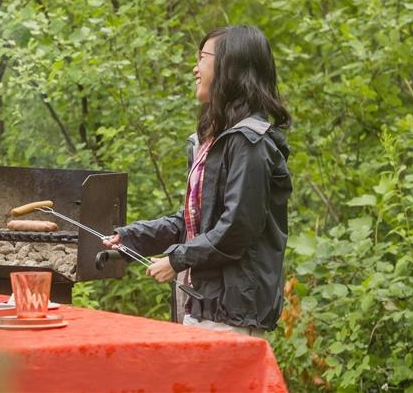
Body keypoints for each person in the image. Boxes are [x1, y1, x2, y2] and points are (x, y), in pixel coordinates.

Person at [103, 25, 292, 336]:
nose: (195, 68)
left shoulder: (250, 143)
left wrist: (177, 259)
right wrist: (131, 237)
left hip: (232, 316)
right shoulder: (214, 141)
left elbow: (236, 229)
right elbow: (193, 223)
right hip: (203, 305)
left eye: (203, 57)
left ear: (231, 67)